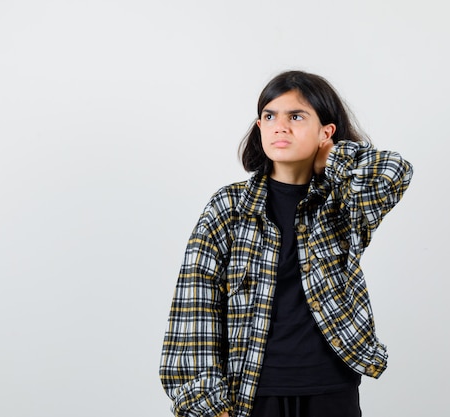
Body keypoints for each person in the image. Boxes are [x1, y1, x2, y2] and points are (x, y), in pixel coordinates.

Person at [159, 70, 413, 417]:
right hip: (252, 392)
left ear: (327, 131)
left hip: (331, 388)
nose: (280, 126)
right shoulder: (229, 207)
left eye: (296, 116)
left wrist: (333, 159)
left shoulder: (342, 202)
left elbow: (393, 173)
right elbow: (195, 307)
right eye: (269, 116)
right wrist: (209, 406)